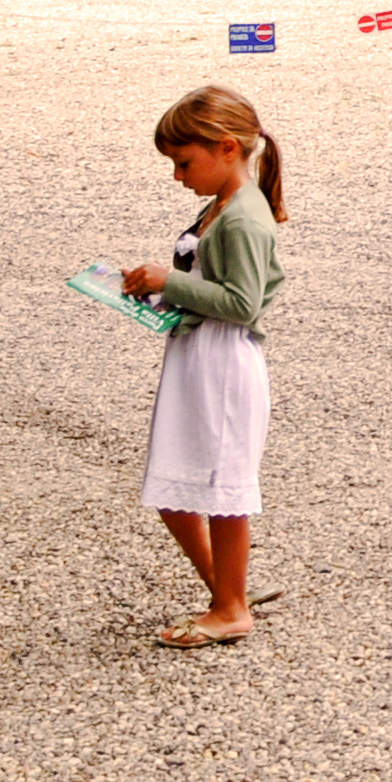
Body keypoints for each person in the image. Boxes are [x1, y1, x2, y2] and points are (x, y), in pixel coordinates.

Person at [120, 84, 283, 647]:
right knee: (174, 484)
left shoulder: (242, 220)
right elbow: (207, 286)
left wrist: (172, 282)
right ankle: (226, 587)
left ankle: (231, 610)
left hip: (223, 361)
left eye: (185, 163)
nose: (178, 176)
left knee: (220, 484)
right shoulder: (220, 206)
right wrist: (160, 295)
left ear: (229, 149)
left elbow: (243, 303)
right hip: (195, 352)